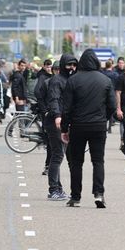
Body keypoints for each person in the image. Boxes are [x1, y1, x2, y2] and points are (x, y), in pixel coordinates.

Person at [60, 49, 115, 208]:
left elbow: (67, 108)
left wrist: (65, 128)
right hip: (98, 126)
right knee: (98, 161)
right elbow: (112, 105)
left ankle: (75, 196)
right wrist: (103, 119)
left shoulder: (73, 80)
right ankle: (99, 194)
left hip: (78, 126)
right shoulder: (105, 80)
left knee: (76, 162)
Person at [42, 53, 76, 200]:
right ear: (63, 65)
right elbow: (54, 99)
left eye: (74, 64)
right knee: (57, 155)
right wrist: (57, 116)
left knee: (60, 154)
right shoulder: (57, 80)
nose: (72, 67)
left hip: (65, 121)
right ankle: (53, 189)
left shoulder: (71, 80)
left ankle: (58, 188)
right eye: (69, 64)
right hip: (55, 121)